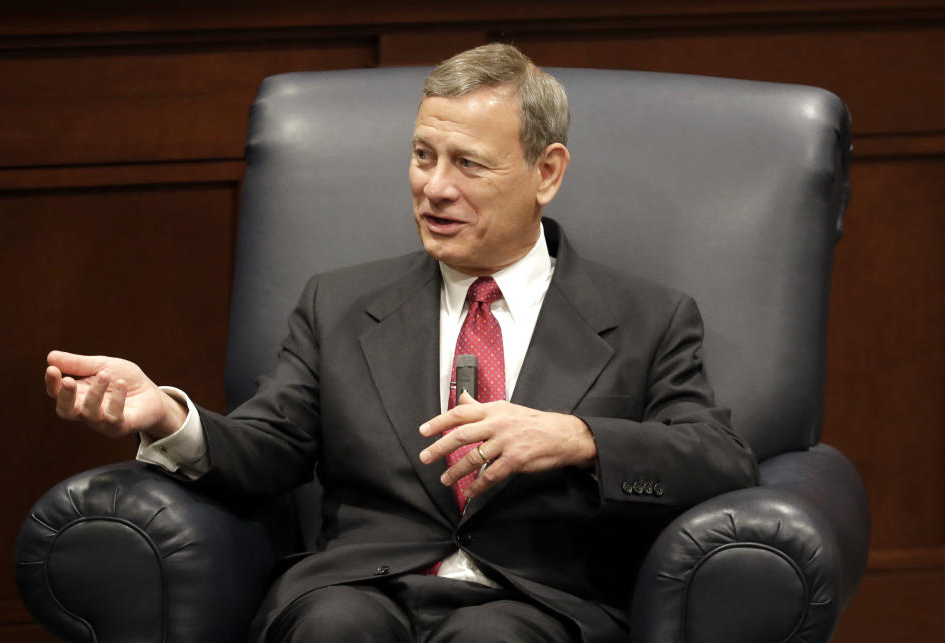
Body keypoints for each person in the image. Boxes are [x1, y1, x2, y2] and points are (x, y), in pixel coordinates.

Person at [44, 44, 759, 643]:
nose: (434, 188)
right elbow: (267, 446)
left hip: (534, 603)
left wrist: (575, 437)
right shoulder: (341, 304)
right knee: (331, 626)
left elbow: (720, 458)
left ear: (546, 173)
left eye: (468, 164)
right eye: (423, 156)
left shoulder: (646, 316)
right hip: (361, 588)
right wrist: (170, 417)